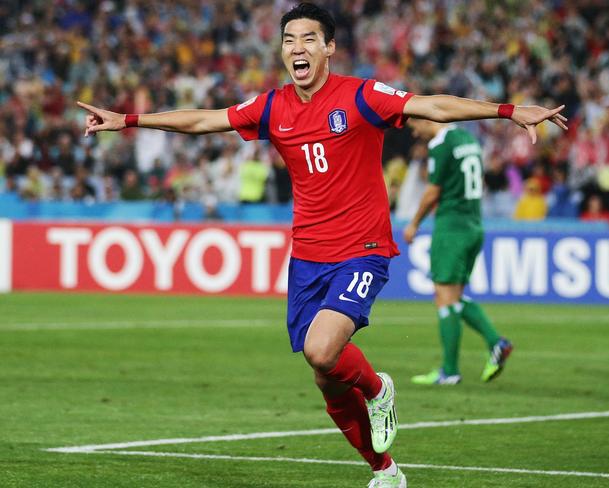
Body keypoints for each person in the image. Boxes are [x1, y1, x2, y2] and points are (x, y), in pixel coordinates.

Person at [77, 4, 567, 486]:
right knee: (325, 377)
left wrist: (506, 111)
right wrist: (131, 121)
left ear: (329, 48)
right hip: (308, 256)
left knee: (320, 349)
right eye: (289, 40)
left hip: (363, 247)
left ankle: (379, 389)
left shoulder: (361, 96)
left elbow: (431, 105)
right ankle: (386, 471)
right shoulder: (272, 107)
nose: (298, 48)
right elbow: (207, 120)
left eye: (309, 38)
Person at [403, 119, 513, 386]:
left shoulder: (441, 145)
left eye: (415, 125)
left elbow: (433, 191)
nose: (416, 132)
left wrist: (414, 222)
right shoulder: (468, 140)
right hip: (474, 225)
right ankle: (484, 349)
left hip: (451, 227)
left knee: (446, 298)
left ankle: (455, 368)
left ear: (428, 118)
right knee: (448, 297)